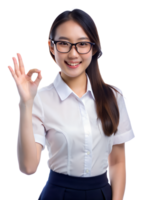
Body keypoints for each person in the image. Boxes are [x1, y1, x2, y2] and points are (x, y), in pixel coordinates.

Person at [7, 7, 136, 200]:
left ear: (93, 48)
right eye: (64, 44)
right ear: (51, 46)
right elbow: (28, 167)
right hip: (57, 194)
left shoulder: (114, 97)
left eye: (82, 44)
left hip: (101, 194)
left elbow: (118, 162)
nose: (73, 54)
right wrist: (26, 102)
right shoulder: (40, 99)